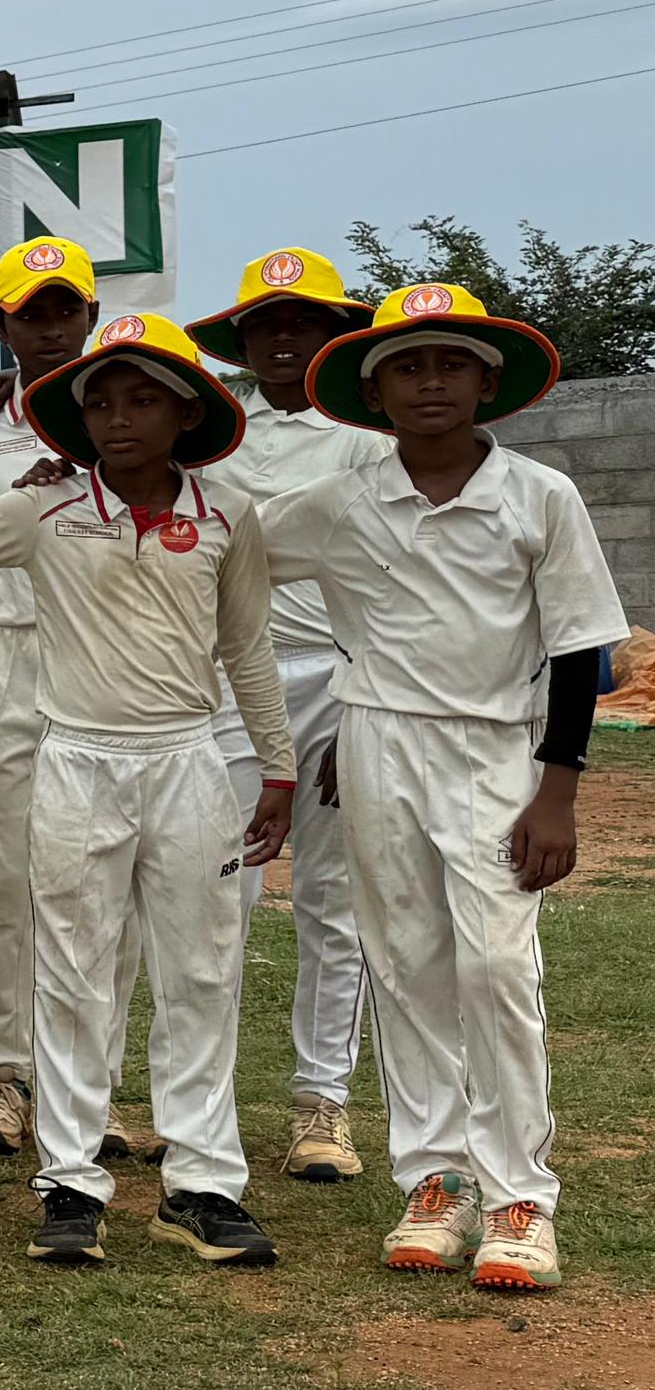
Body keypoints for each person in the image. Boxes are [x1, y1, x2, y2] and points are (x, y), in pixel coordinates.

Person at [272, 280, 628, 1295]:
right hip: (378, 746)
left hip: (496, 754)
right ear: (373, 391)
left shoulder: (535, 496)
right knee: (407, 965)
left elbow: (573, 650)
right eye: (407, 367)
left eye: (448, 364)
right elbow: (229, 550)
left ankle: (519, 1195)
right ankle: (435, 1179)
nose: (429, 383)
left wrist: (554, 793)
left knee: (495, 969)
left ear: (485, 380)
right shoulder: (340, 503)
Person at [0, 313, 296, 1269]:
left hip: (188, 762)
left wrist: (278, 765)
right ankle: (69, 1182)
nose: (118, 417)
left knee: (201, 969)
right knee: (70, 973)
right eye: (100, 400)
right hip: (75, 759)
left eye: (143, 398)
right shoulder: (41, 509)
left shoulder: (227, 516)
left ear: (187, 413)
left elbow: (246, 649)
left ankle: (204, 1184)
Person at [190, 247, 391, 1184]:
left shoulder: (369, 440)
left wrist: (366, 703)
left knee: (334, 900)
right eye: (263, 324)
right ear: (239, 340)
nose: (280, 338)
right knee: (217, 897)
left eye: (301, 322)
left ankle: (322, 1106)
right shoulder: (210, 433)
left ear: (334, 334)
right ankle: (206, 1105)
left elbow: (392, 587)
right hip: (230, 679)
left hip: (341, 678)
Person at [0, 241, 110, 1164]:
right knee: (0, 880)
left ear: (89, 313)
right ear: (1, 326)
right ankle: (0, 1076)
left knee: (94, 882)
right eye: (29, 314)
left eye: (64, 310)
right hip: (5, 655)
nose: (50, 328)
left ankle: (90, 1079)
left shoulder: (133, 405)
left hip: (107, 662)